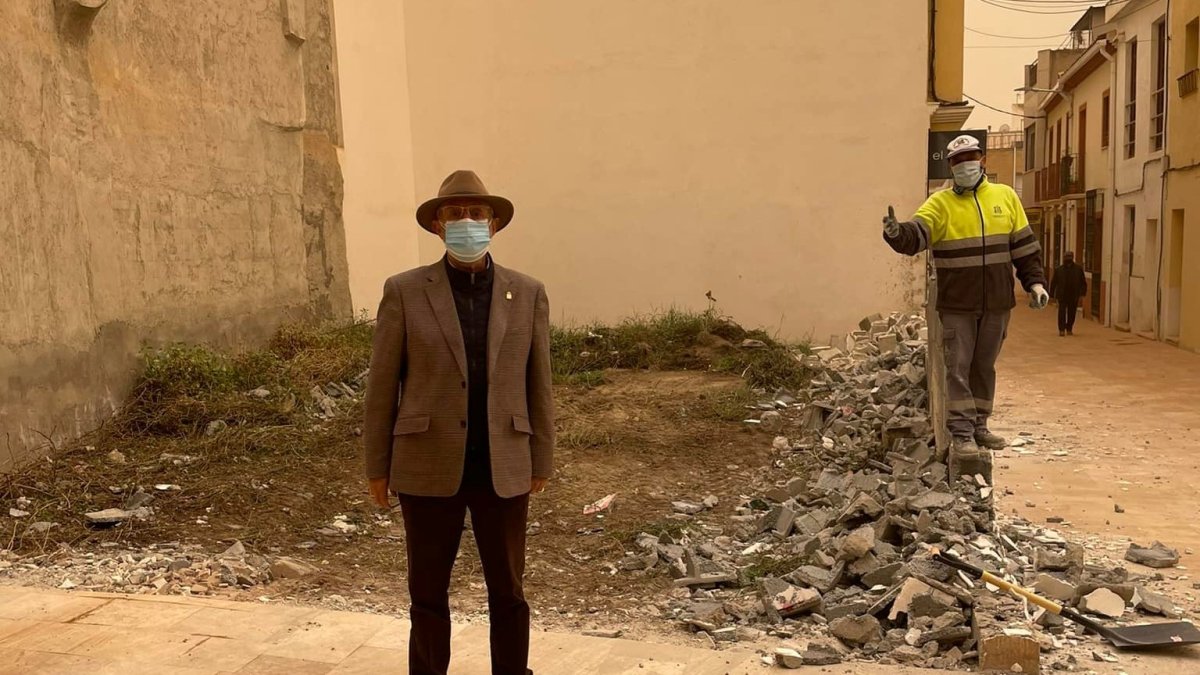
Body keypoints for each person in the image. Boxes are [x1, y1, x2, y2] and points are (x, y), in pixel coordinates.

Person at [363, 170, 554, 675]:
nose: (466, 221)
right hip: (427, 464)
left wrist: (543, 457)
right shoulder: (404, 291)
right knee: (426, 592)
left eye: (476, 213)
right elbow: (382, 386)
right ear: (437, 226)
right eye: (455, 214)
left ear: (494, 223)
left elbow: (540, 383)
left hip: (504, 462)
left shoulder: (527, 292)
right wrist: (376, 466)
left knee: (509, 591)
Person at [881, 134, 1049, 479]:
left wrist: (1035, 283)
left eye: (971, 157)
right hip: (957, 304)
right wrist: (896, 233)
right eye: (958, 161)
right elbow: (917, 235)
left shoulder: (1005, 198)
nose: (966, 165)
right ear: (951, 167)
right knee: (958, 367)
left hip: (997, 303)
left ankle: (980, 426)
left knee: (984, 366)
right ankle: (961, 433)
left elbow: (1024, 249)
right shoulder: (940, 204)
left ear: (983, 160)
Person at [1050, 251, 1088, 336]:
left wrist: (1082, 293)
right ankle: (1061, 329)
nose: (1068, 259)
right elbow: (1054, 282)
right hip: (1062, 294)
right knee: (1061, 312)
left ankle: (1069, 328)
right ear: (1064, 258)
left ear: (1072, 257)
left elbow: (1083, 282)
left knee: (1072, 313)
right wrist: (1051, 294)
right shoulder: (1059, 270)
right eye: (1066, 257)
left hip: (1073, 295)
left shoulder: (1078, 269)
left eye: (1069, 257)